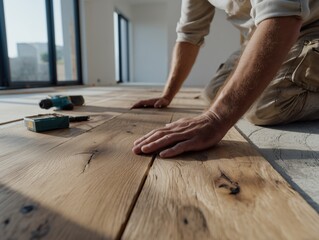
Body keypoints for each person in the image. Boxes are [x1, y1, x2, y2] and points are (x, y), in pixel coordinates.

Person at [131, 0, 319, 158]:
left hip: (310, 27)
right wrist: (167, 94)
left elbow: (283, 17)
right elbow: (189, 35)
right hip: (261, 32)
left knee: (263, 106)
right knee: (213, 93)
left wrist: (217, 118)